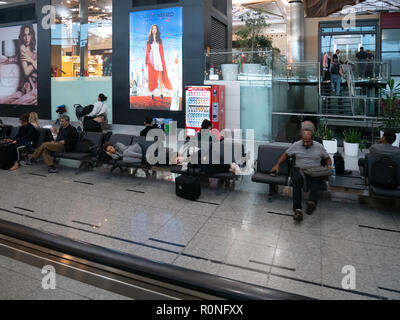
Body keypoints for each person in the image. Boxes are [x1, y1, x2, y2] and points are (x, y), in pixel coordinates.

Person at [270, 130, 332, 222]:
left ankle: (312, 203)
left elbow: (327, 158)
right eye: (304, 141)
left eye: (308, 141)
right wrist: (277, 165)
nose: (306, 143)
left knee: (317, 178)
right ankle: (298, 210)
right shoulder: (296, 144)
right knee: (296, 179)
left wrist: (329, 166)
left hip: (314, 168)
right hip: (298, 168)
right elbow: (286, 154)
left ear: (313, 140)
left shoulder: (319, 146)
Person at [0, 24, 37, 105]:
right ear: (22, 36)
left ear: (32, 35)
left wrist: (31, 60)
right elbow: (27, 72)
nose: (27, 38)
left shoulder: (35, 54)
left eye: (29, 34)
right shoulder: (22, 48)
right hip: (29, 86)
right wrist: (35, 63)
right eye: (24, 35)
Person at [145, 24, 172, 100]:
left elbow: (161, 51)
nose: (154, 30)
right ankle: (152, 94)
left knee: (160, 78)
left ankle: (161, 93)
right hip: (151, 61)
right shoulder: (148, 41)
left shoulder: (160, 40)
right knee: (152, 78)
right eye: (153, 29)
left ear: (157, 30)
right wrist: (146, 60)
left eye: (155, 29)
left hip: (158, 60)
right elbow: (147, 51)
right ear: (151, 30)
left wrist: (163, 62)